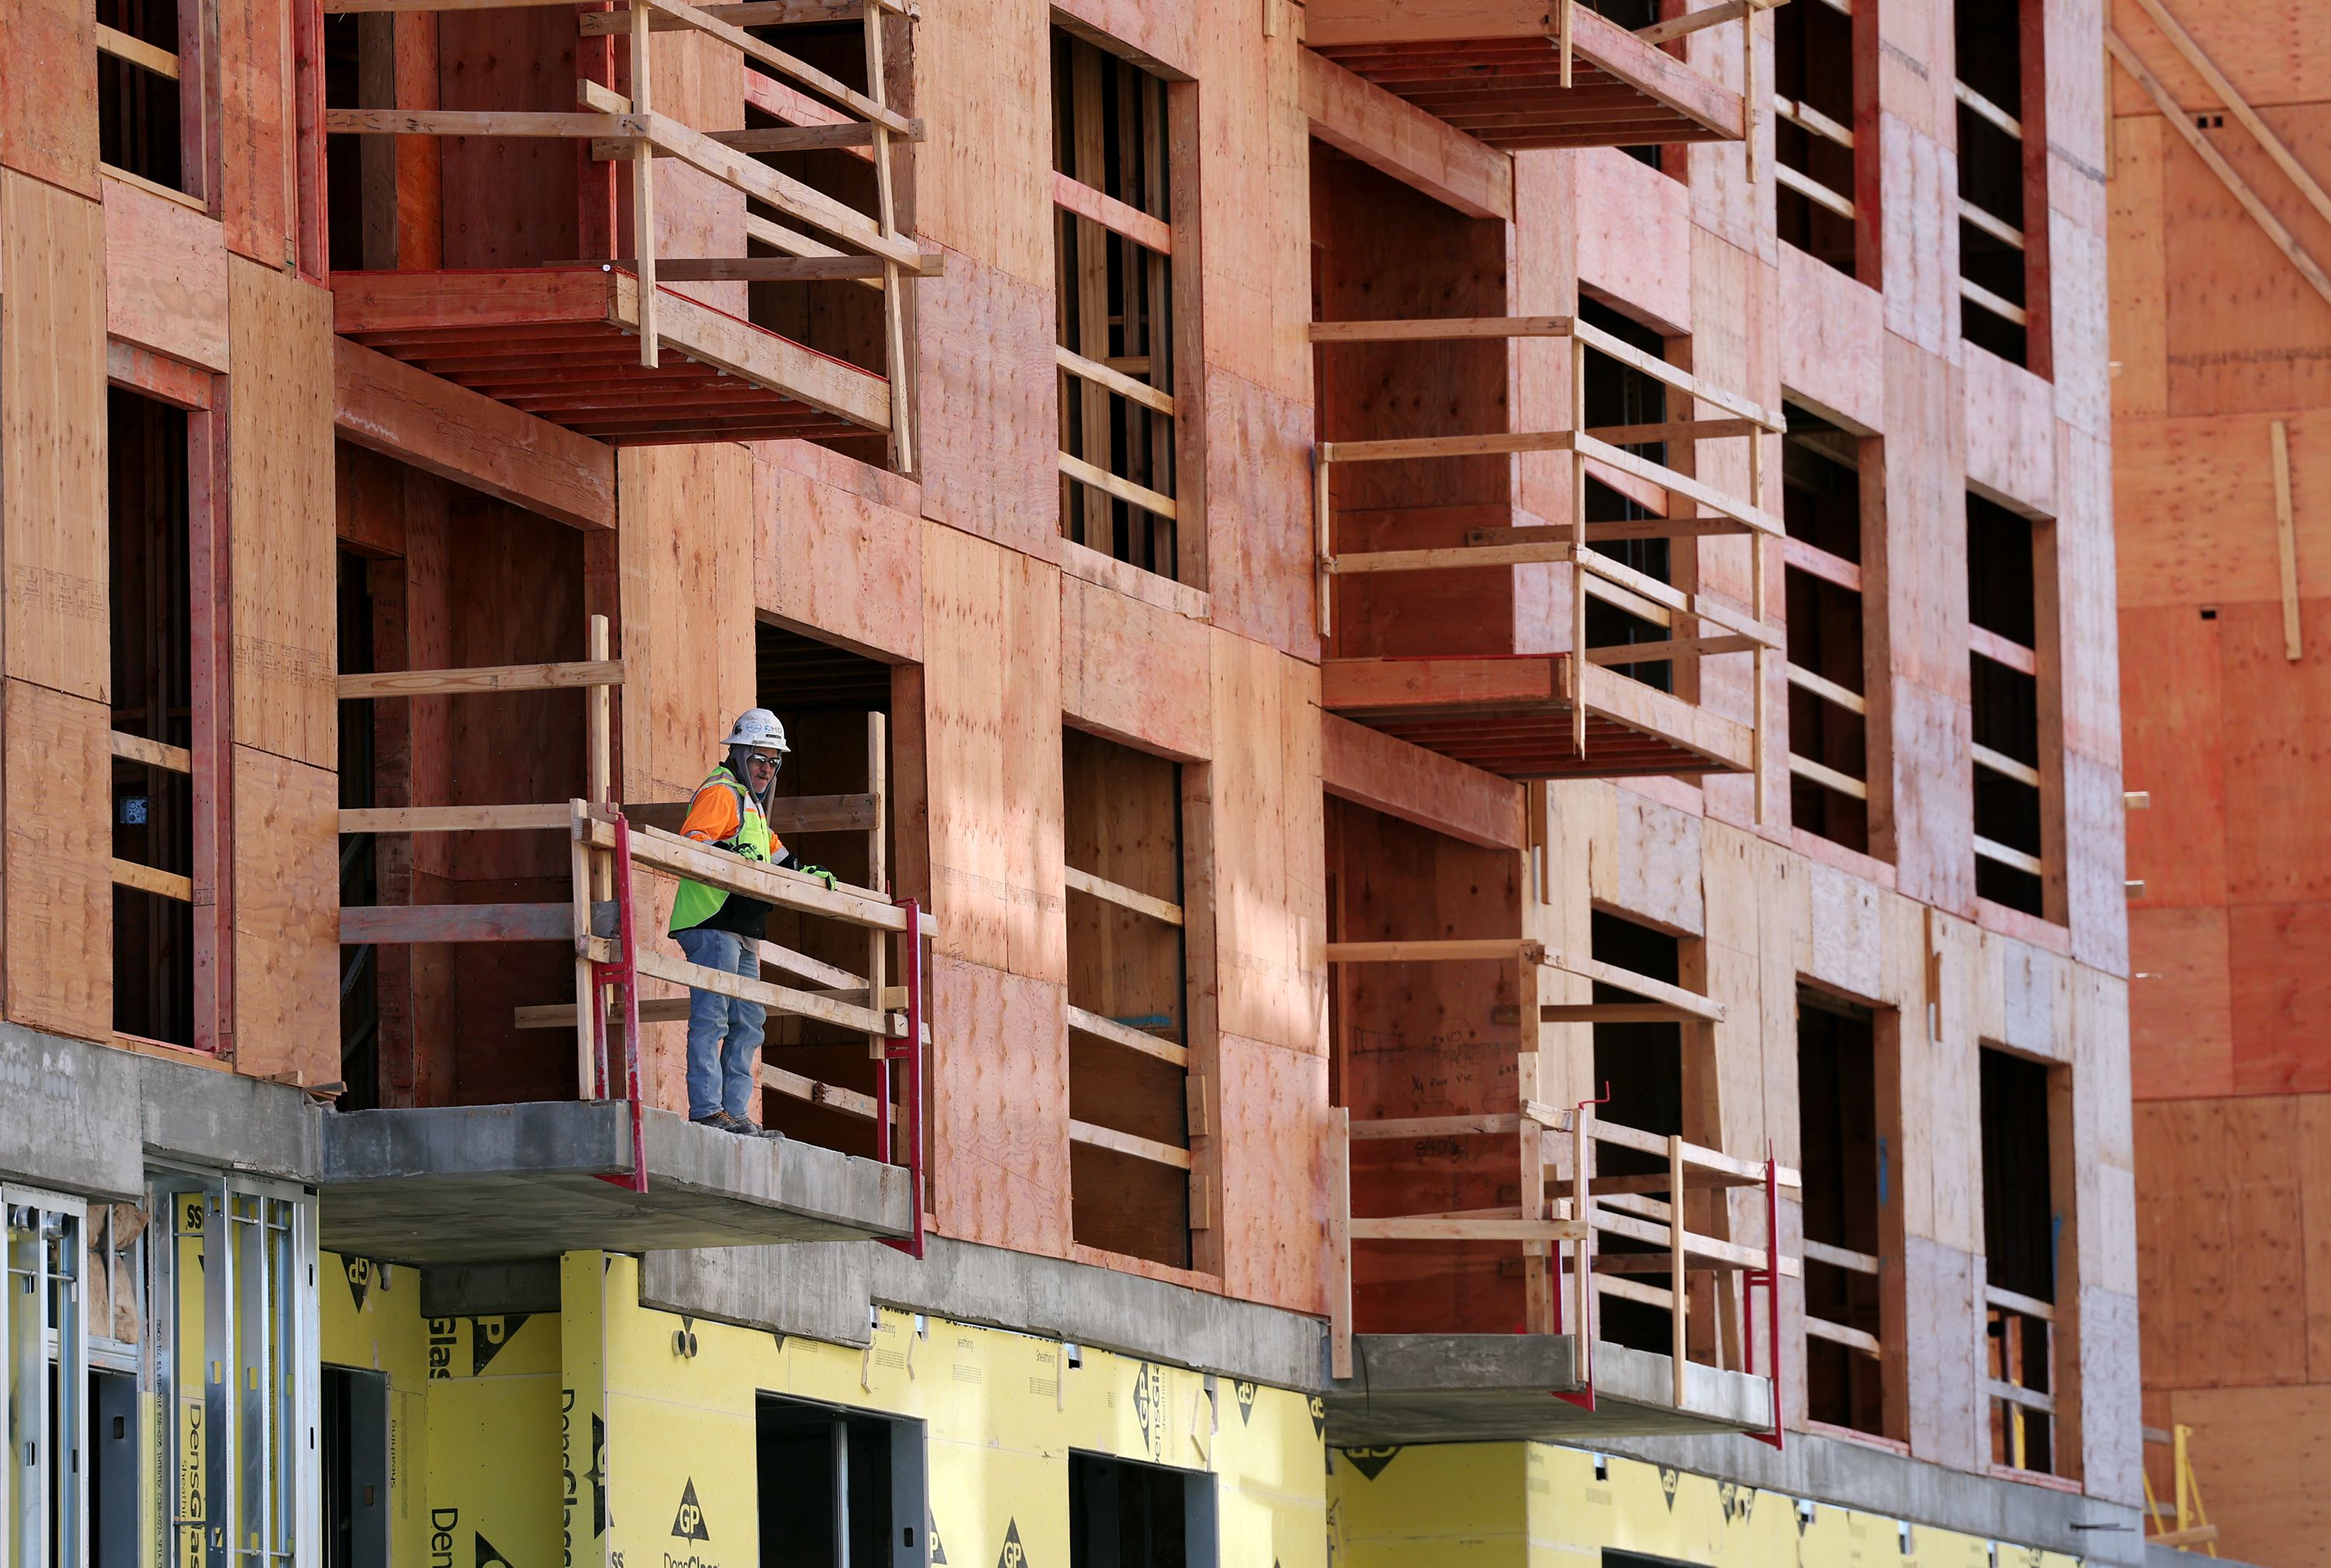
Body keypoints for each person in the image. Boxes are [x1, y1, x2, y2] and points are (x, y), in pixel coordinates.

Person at [668, 708, 793, 1135]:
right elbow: (692, 842)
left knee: (748, 1022)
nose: (766, 769)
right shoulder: (723, 793)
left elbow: (780, 858)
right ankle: (708, 1110)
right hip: (711, 919)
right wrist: (729, 858)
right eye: (760, 758)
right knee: (715, 1016)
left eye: (774, 762)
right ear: (739, 753)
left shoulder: (753, 807)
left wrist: (812, 875)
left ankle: (734, 1114)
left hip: (741, 928)